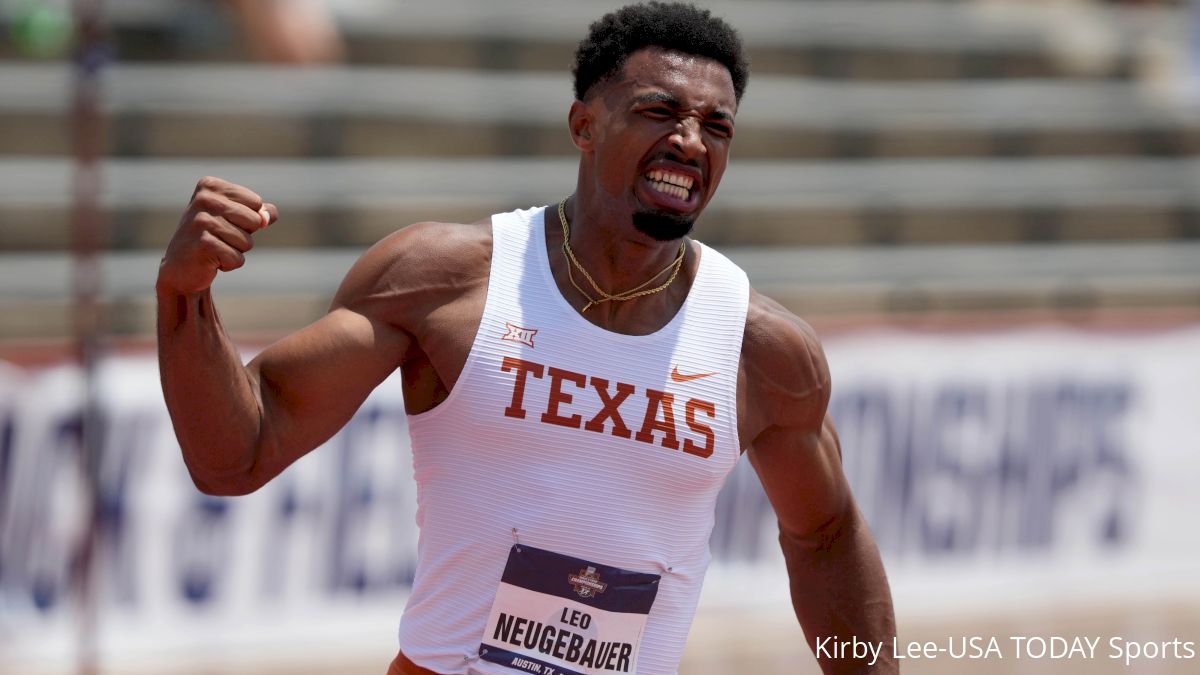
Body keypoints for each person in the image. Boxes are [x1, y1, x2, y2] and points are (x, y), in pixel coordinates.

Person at [156, 2, 897, 673]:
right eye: (659, 111)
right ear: (583, 124)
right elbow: (237, 454)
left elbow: (826, 537)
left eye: (718, 125)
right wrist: (186, 298)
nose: (690, 140)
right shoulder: (445, 282)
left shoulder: (760, 349)